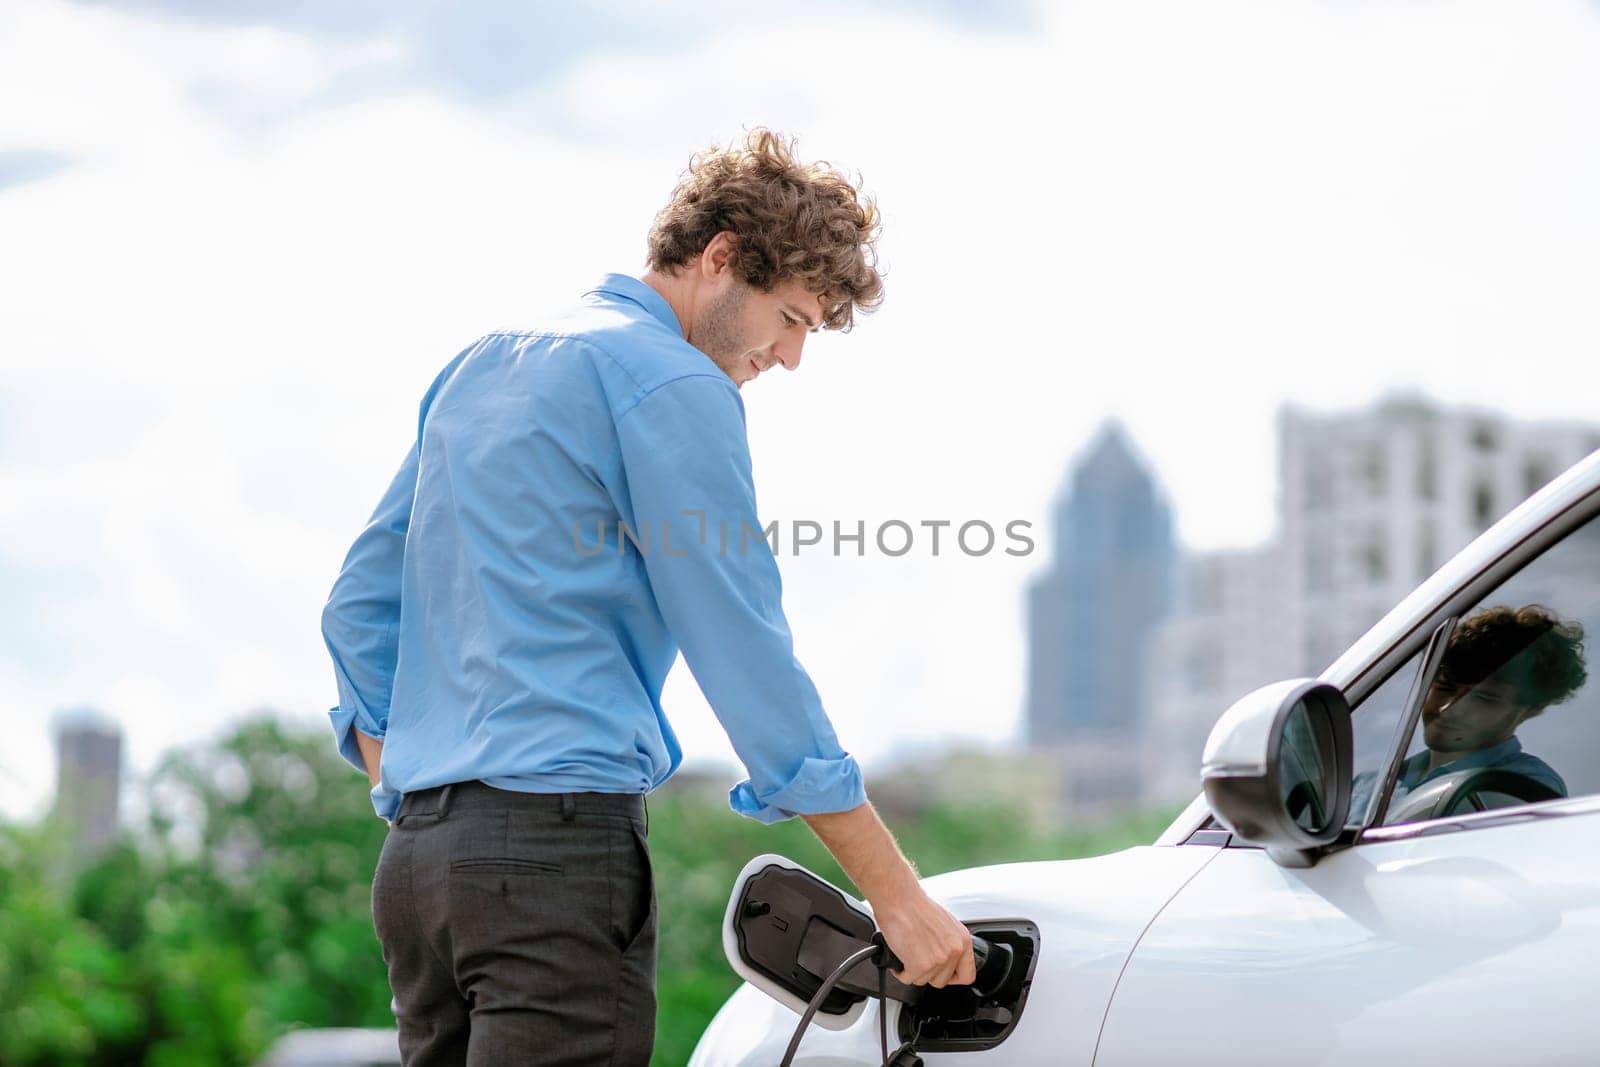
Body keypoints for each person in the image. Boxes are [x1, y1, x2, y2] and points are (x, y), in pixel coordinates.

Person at [319, 129, 975, 1065]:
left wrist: (414, 786)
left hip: (419, 869)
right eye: (790, 317)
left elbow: (354, 606)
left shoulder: (483, 364)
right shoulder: (675, 382)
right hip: (551, 856)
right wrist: (897, 896)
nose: (791, 357)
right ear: (720, 260)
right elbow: (744, 649)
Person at [1352, 604, 1586, 823]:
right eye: (1444, 688)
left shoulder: (1523, 786)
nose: (1449, 709)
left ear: (1531, 709)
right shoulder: (1367, 787)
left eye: (1484, 699)